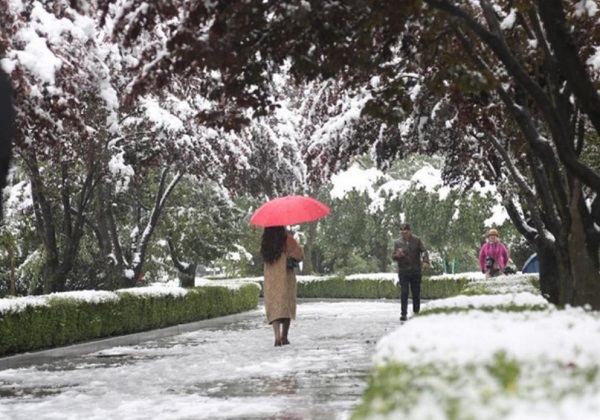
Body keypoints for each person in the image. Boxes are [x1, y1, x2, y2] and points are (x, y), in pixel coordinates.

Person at [260, 226, 304, 347]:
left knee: (274, 305)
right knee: (286, 305)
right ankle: (284, 336)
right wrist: (294, 241)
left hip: (271, 279)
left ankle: (277, 336)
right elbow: (300, 256)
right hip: (285, 277)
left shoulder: (266, 243)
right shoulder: (287, 240)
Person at [392, 223, 429, 322]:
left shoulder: (417, 240)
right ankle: (403, 313)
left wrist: (425, 261)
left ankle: (416, 312)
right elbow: (393, 257)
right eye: (402, 232)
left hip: (415, 270)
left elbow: (424, 251)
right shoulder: (397, 242)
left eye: (405, 232)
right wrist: (397, 255)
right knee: (404, 292)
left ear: (409, 231)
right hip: (403, 271)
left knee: (416, 292)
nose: (403, 234)